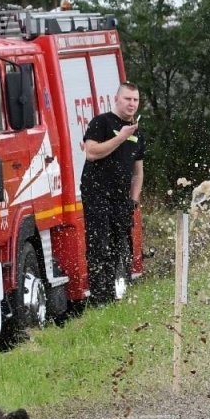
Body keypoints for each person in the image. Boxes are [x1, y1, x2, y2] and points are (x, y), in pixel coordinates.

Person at [80, 83, 145, 304]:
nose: (131, 104)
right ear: (116, 99)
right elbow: (91, 153)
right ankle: (100, 299)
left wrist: (133, 200)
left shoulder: (137, 130)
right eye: (127, 99)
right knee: (100, 246)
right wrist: (121, 137)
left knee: (119, 247)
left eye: (135, 100)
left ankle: (116, 295)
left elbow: (138, 172)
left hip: (121, 198)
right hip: (97, 193)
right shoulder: (102, 123)